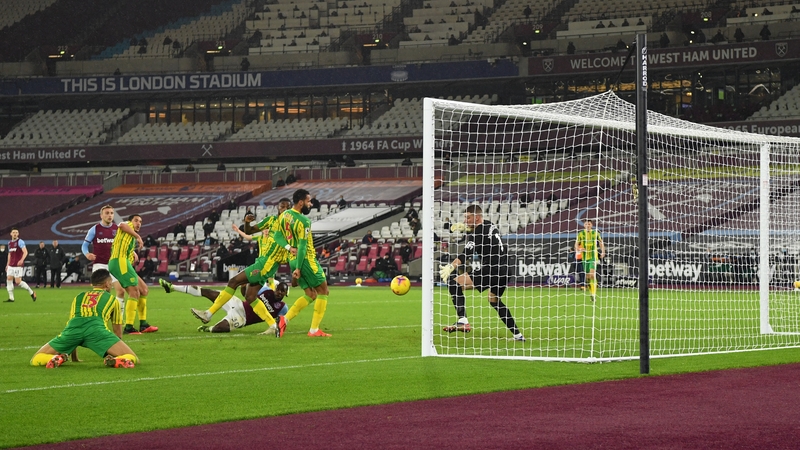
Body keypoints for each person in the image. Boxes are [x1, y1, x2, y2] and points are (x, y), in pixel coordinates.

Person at [192, 199, 293, 334]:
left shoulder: (291, 229)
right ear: (278, 208)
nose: (284, 209)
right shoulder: (271, 221)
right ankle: (272, 325)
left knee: (233, 281)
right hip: (263, 263)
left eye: (287, 207)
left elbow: (293, 249)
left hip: (266, 265)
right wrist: (247, 222)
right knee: (250, 297)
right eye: (282, 206)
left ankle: (208, 314)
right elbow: (249, 231)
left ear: (291, 210)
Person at [438, 205, 524, 341]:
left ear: (476, 217)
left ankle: (463, 320)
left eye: (468, 218)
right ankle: (518, 335)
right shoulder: (490, 225)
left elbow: (465, 255)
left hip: (492, 269)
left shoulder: (477, 234)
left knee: (453, 283)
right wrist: (465, 227)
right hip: (506, 270)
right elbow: (480, 231)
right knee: (493, 300)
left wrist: (451, 266)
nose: (465, 220)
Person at [30, 269, 138, 369]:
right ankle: (116, 360)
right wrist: (114, 351)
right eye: (111, 283)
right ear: (107, 284)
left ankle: (55, 358)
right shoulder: (112, 299)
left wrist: (74, 358)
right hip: (96, 330)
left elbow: (73, 323)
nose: (111, 286)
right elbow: (117, 333)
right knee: (132, 357)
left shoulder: (79, 297)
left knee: (36, 358)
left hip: (72, 331)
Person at [275, 189, 331, 337]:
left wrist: (288, 248)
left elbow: (277, 236)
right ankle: (314, 330)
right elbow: (302, 247)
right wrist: (299, 268)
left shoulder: (284, 215)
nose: (310, 204)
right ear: (301, 203)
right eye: (308, 201)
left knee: (310, 294)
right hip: (305, 260)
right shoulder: (304, 221)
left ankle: (284, 320)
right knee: (323, 291)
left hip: (292, 260)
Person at [161, 278, 288, 333]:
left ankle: (208, 328)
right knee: (209, 292)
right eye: (279, 290)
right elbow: (247, 295)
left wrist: (273, 329)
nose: (279, 293)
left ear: (285, 294)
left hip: (242, 318)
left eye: (283, 292)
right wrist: (244, 286)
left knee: (219, 328)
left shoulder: (283, 307)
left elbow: (281, 323)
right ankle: (172, 287)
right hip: (238, 304)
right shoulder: (265, 290)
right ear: (275, 288)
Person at [108, 214, 156, 335]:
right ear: (130, 221)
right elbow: (121, 225)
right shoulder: (127, 226)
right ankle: (129, 327)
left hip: (123, 262)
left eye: (140, 221)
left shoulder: (129, 237)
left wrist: (132, 252)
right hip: (119, 261)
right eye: (136, 220)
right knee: (134, 292)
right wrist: (138, 236)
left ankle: (143, 324)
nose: (138, 223)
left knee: (144, 290)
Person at [575, 219, 605, 302]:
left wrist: (603, 251)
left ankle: (594, 294)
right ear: (584, 225)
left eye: (589, 224)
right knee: (588, 277)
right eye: (586, 224)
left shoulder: (596, 233)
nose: (587, 225)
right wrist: (579, 249)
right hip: (584, 257)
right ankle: (591, 293)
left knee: (592, 275)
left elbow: (601, 242)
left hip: (593, 257)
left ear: (591, 225)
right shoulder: (580, 234)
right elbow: (576, 244)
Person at [5, 228, 36, 302]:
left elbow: (25, 252)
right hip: (11, 265)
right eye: (13, 232)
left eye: (16, 232)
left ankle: (31, 292)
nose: (15, 234)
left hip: (18, 265)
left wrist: (21, 260)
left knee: (18, 282)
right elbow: (10, 254)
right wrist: (7, 264)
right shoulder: (9, 243)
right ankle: (11, 298)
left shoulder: (20, 242)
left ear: (18, 234)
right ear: (11, 234)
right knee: (9, 279)